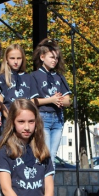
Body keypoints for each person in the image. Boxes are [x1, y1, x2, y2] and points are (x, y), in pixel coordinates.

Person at [31, 38, 71, 166]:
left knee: (53, 156)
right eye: (51, 57)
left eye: (57, 58)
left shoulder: (59, 77)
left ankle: (50, 185)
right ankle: (43, 184)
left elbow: (68, 100)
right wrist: (52, 100)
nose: (55, 60)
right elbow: (32, 101)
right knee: (46, 153)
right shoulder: (35, 76)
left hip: (58, 118)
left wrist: (60, 101)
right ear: (42, 57)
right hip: (43, 117)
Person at [0, 44, 38, 126]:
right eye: (12, 58)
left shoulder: (28, 77)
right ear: (6, 60)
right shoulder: (1, 77)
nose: (16, 62)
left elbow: (32, 101)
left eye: (19, 58)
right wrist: (9, 118)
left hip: (25, 120)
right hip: (9, 119)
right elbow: (0, 102)